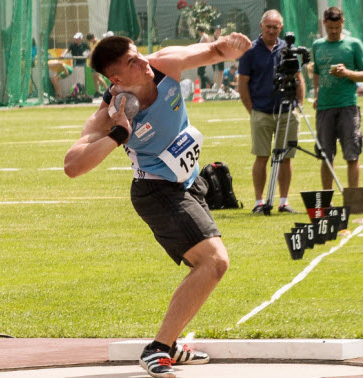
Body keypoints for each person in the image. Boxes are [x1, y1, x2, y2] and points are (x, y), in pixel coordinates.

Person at [63, 32, 250, 378]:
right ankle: (159, 349)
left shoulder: (164, 65)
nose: (143, 62)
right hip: (156, 192)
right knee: (214, 262)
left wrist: (232, 45)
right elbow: (72, 165)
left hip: (190, 183)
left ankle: (170, 345)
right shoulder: (113, 109)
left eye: (138, 54)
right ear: (116, 79)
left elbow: (211, 51)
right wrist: (118, 134)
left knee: (210, 264)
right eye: (132, 62)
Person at [238, 9, 304, 214]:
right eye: (268, 27)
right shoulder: (250, 50)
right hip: (262, 111)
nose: (272, 31)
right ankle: (259, 201)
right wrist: (252, 110)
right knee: (262, 156)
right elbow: (242, 83)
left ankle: (283, 201)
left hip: (287, 111)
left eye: (276, 27)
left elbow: (298, 79)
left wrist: (299, 106)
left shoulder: (288, 49)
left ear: (281, 28)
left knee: (286, 157)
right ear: (261, 26)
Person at [312, 7, 363, 190]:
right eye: (330, 28)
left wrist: (347, 73)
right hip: (324, 108)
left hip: (347, 106)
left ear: (342, 23)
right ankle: (327, 204)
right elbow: (316, 73)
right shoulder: (317, 46)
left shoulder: (354, 45)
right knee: (325, 158)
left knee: (352, 155)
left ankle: (353, 200)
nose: (334, 31)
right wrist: (316, 94)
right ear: (324, 24)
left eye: (337, 27)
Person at [86, 33, 107, 97]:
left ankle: (107, 90)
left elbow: (93, 51)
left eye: (90, 40)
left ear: (92, 38)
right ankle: (97, 91)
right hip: (93, 62)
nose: (90, 41)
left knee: (98, 77)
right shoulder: (92, 43)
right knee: (94, 77)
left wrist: (89, 55)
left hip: (98, 62)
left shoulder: (98, 42)